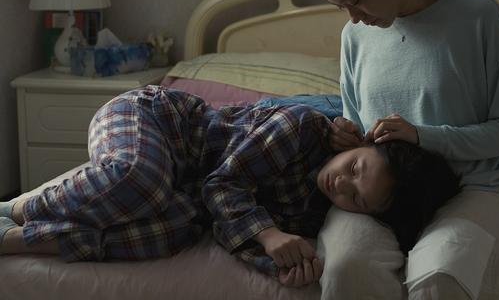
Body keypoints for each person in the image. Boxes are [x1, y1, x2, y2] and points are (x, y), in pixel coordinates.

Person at [0, 85, 458, 288]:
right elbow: (223, 184)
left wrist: (278, 264)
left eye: (355, 198)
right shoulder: (301, 128)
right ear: (361, 143)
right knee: (142, 181)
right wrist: (269, 235)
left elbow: (226, 226)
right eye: (355, 167)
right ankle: (22, 207)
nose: (341, 184)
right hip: (156, 123)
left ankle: (17, 240)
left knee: (176, 229)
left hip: (186, 189)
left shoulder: (312, 212)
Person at [307, 0, 499, 299]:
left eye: (355, 1)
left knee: (442, 277)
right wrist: (345, 134)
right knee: (347, 270)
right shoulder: (355, 35)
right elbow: (360, 129)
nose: (354, 18)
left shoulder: (478, 16)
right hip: (374, 197)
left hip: (468, 189)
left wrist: (422, 136)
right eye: (341, 8)